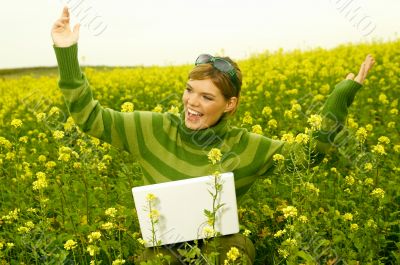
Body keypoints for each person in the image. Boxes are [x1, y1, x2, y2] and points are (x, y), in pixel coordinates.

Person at [51, 6, 375, 264]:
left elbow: (311, 153)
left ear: (229, 105)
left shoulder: (248, 147)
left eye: (207, 98)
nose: (192, 103)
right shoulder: (151, 129)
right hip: (165, 245)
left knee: (236, 250)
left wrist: (344, 93)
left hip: (221, 245)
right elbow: (89, 117)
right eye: (190, 91)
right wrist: (66, 53)